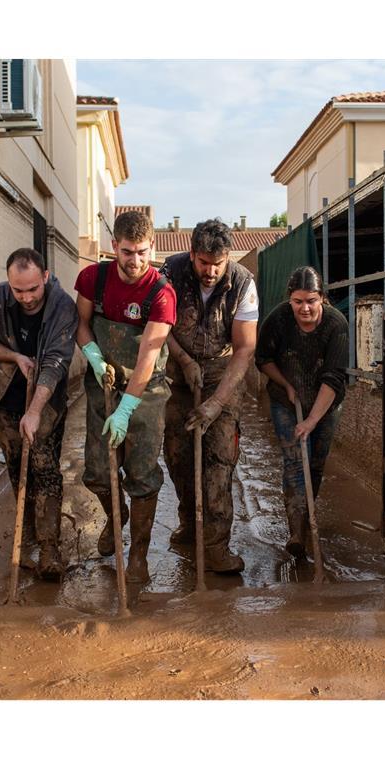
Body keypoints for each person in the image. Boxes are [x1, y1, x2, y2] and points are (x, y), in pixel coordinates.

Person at [74, 210, 176, 584]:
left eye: (143, 253)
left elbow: (149, 354)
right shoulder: (93, 279)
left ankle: (138, 556)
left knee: (142, 474)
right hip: (102, 384)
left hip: (146, 392)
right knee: (98, 472)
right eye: (128, 252)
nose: (135, 261)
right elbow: (82, 325)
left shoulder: (161, 293)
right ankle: (116, 517)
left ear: (153, 248)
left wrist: (127, 408)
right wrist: (94, 357)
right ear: (113, 246)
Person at [160, 219, 258, 574]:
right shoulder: (170, 271)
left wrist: (216, 403)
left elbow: (245, 348)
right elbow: (158, 326)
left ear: (228, 257)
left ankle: (216, 545)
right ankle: (190, 522)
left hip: (222, 369)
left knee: (219, 458)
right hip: (176, 366)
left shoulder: (243, 283)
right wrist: (184, 361)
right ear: (192, 254)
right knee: (177, 453)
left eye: (218, 263)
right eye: (204, 263)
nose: (211, 271)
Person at [0, 248, 77, 580]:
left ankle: (50, 550)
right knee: (19, 471)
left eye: (32, 289)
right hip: (7, 395)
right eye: (18, 290)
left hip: (46, 399)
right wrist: (15, 357)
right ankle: (31, 534)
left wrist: (34, 412)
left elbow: (56, 362)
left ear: (45, 277)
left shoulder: (62, 306)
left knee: (45, 469)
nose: (26, 297)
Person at [255, 266, 348, 560]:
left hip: (326, 403)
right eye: (298, 302)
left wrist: (311, 420)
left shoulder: (336, 325)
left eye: (311, 301)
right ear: (289, 299)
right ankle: (296, 532)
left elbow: (333, 378)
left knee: (316, 464)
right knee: (295, 460)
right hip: (286, 399)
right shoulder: (278, 320)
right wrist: (286, 385)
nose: (304, 308)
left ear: (321, 298)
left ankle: (307, 518)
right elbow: (263, 359)